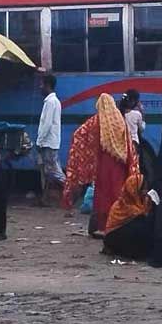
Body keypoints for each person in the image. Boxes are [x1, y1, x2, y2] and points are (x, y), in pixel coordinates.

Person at [62, 94, 139, 235]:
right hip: (120, 165)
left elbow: (79, 134)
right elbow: (128, 144)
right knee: (117, 192)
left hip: (105, 163)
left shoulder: (97, 121)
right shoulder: (120, 120)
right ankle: (118, 224)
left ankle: (103, 226)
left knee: (103, 193)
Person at [36, 75, 64, 206]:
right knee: (49, 171)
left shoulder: (51, 102)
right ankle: (45, 199)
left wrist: (39, 142)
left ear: (47, 85)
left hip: (48, 142)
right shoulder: (53, 101)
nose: (40, 87)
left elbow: (46, 124)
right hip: (50, 141)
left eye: (41, 84)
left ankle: (70, 189)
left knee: (53, 171)